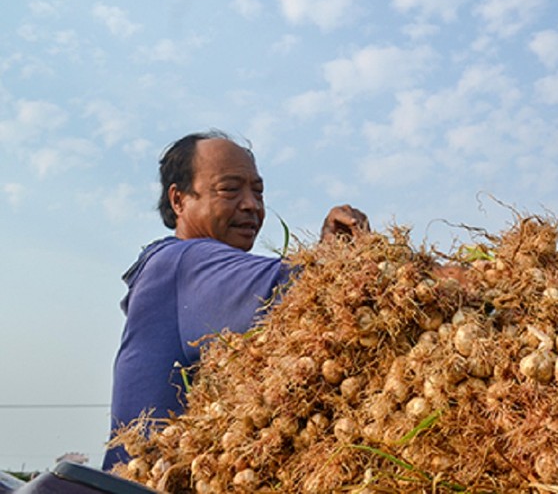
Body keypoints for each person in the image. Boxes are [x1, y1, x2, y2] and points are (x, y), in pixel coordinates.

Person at [102, 130, 369, 470]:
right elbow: (304, 287)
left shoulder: (179, 269)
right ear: (179, 200)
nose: (251, 204)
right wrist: (347, 257)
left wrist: (328, 252)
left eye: (258, 192)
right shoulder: (184, 262)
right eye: (230, 189)